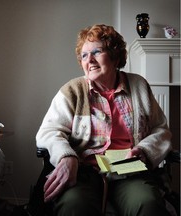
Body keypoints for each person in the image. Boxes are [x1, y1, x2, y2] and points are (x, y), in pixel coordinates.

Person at [35, 24, 172, 216]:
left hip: (129, 170)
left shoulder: (138, 85)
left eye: (96, 52)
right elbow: (48, 131)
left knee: (148, 204)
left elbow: (160, 129)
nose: (89, 60)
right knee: (74, 206)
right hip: (84, 170)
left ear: (115, 56)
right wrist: (66, 156)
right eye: (84, 55)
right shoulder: (72, 90)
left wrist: (144, 150)